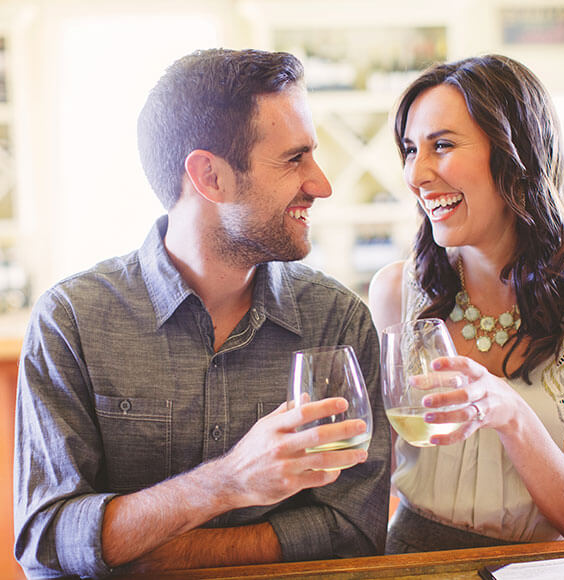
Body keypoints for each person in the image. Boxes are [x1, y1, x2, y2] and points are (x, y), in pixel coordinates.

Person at [14, 48, 390, 578]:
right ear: (209, 176)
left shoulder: (339, 320)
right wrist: (229, 481)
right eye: (293, 159)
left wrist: (139, 553)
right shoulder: (72, 320)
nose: (321, 184)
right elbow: (48, 542)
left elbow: (355, 533)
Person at [369, 54, 564, 553]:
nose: (416, 174)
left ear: (514, 152)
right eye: (410, 150)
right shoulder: (395, 291)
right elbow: (372, 475)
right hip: (407, 561)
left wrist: (509, 412)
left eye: (442, 145)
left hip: (538, 568)